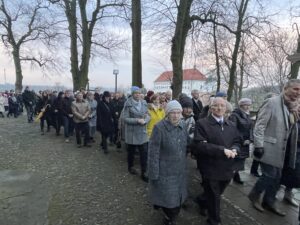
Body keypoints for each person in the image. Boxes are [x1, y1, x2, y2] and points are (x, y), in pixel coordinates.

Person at [248, 79, 300, 216]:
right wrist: (258, 145)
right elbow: (259, 125)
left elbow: (293, 127)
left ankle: (269, 201)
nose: (298, 93)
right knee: (269, 175)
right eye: (295, 89)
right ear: (285, 88)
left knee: (278, 177)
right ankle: (254, 195)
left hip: (287, 149)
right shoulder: (272, 102)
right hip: (270, 147)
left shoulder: (295, 106)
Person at [192, 97, 241, 225]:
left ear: (226, 109)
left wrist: (235, 149)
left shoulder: (231, 125)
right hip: (210, 167)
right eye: (216, 106)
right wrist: (222, 150)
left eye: (222, 106)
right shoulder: (202, 124)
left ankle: (201, 200)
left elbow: (237, 141)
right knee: (214, 197)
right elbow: (199, 145)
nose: (219, 108)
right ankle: (214, 221)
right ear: (211, 108)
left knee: (216, 192)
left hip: (227, 167)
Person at [148, 100, 188, 225]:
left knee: (177, 199)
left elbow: (187, 143)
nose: (176, 115)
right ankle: (169, 217)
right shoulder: (159, 128)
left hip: (179, 170)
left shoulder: (183, 125)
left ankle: (170, 216)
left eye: (178, 112)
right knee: (170, 202)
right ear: (167, 114)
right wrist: (153, 173)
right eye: (172, 113)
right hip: (165, 171)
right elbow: (153, 152)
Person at [122, 86, 150, 182]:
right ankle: (130, 166)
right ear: (132, 94)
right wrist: (137, 120)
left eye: (139, 93)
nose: (138, 95)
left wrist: (145, 120)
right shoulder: (128, 104)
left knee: (144, 154)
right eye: (135, 93)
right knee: (131, 152)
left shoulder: (144, 103)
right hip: (132, 132)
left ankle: (144, 172)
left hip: (142, 132)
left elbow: (148, 115)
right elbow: (125, 119)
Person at [229, 98, 253, 185]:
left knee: (240, 160)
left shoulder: (247, 115)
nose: (248, 107)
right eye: (245, 105)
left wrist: (250, 139)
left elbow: (250, 128)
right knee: (235, 159)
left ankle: (236, 175)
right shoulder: (234, 115)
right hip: (238, 142)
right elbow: (233, 129)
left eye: (249, 105)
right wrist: (242, 140)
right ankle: (230, 176)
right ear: (241, 105)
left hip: (245, 142)